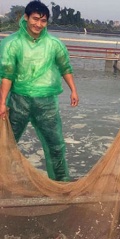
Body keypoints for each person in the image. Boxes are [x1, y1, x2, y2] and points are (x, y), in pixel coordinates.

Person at [0, 1, 79, 181]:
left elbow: (65, 67)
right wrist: (2, 102)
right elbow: (7, 75)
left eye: (43, 21)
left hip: (47, 103)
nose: (38, 24)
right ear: (26, 18)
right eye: (35, 19)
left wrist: (73, 90)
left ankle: (60, 183)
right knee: (6, 143)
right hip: (18, 100)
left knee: (56, 145)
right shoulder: (12, 43)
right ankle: (4, 181)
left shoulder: (54, 44)